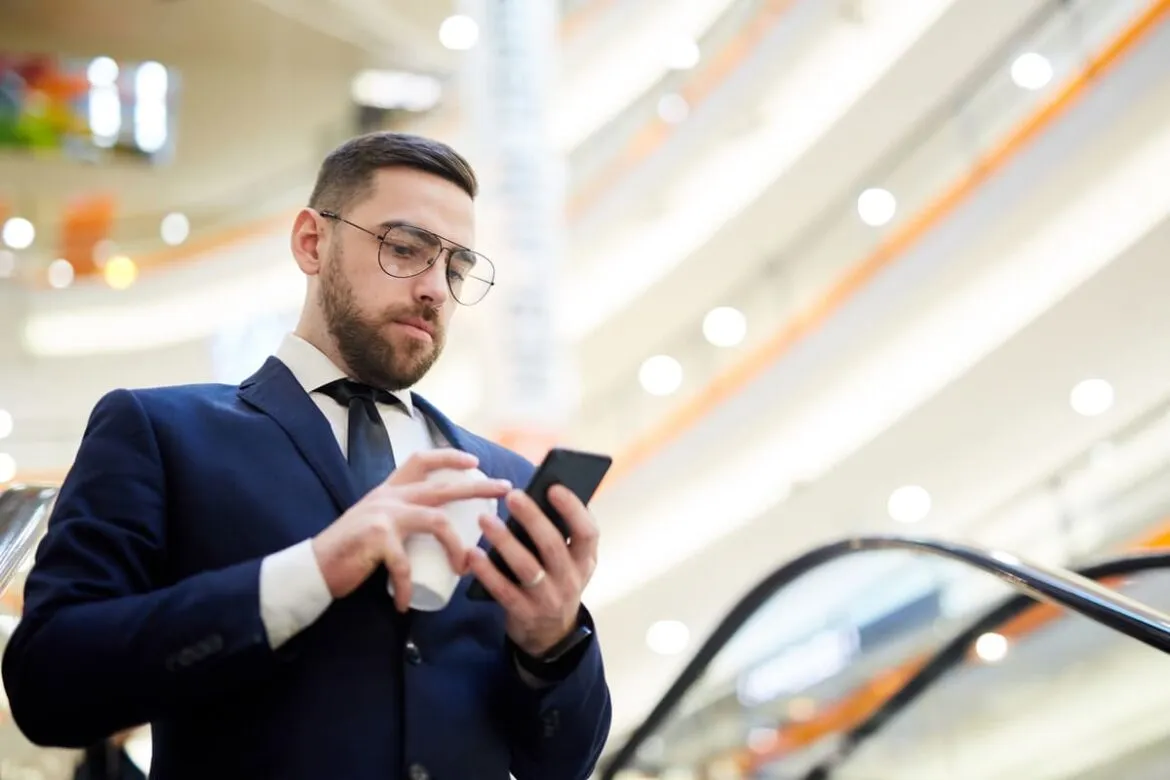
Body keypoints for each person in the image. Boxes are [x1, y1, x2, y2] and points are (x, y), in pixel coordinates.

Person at [2, 132, 612, 779]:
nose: (435, 287)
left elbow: (563, 763)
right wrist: (314, 569)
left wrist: (552, 643)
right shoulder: (161, 431)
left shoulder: (500, 483)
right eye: (406, 249)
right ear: (311, 242)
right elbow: (49, 687)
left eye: (456, 268)